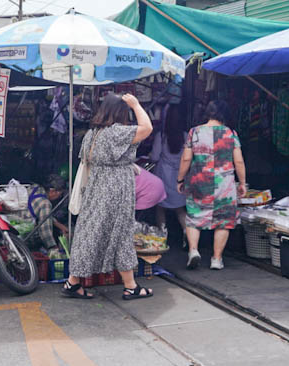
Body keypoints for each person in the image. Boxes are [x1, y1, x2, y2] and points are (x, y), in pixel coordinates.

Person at [63, 93, 155, 300]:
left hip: (96, 186)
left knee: (89, 232)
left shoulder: (93, 133)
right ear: (121, 112)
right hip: (116, 188)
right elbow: (147, 128)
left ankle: (73, 281)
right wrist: (136, 105)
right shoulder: (117, 132)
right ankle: (130, 286)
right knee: (121, 233)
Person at [177, 99, 246, 270]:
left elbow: (186, 158)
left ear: (208, 113)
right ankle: (216, 259)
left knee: (194, 217)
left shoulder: (195, 132)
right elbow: (239, 161)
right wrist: (243, 182)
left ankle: (193, 251)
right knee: (223, 220)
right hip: (225, 183)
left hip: (199, 181)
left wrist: (180, 179)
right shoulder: (231, 133)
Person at [150, 107, 187, 232]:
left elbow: (155, 157)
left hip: (163, 177)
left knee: (160, 208)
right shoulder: (186, 136)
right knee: (180, 210)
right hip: (179, 178)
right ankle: (188, 237)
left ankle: (162, 236)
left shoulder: (161, 136)